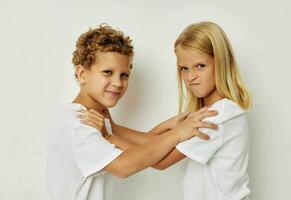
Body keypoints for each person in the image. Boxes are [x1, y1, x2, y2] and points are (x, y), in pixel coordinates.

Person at [46, 24, 218, 200]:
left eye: (124, 75)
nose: (118, 83)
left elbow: (140, 151)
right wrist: (176, 134)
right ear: (82, 74)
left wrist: (169, 127)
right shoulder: (79, 120)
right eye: (108, 72)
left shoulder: (96, 119)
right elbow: (124, 166)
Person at [83, 21, 252, 200]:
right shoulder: (205, 113)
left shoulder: (219, 115)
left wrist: (109, 136)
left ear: (221, 62)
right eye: (183, 69)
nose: (191, 76)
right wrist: (113, 127)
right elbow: (158, 145)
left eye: (200, 66)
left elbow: (160, 160)